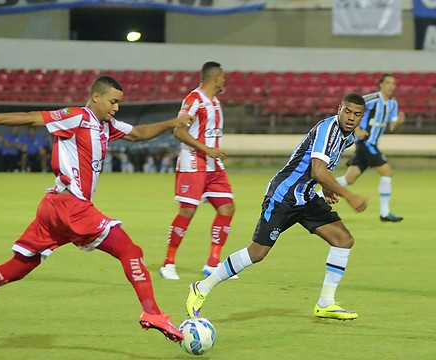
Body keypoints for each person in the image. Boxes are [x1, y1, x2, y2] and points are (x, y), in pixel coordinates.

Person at [0, 76, 191, 346]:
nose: (116, 108)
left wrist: (172, 123)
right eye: (113, 101)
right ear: (96, 97)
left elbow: (138, 133)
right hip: (71, 206)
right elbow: (31, 118)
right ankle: (153, 313)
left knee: (16, 269)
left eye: (119, 103)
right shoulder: (75, 116)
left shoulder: (105, 126)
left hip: (54, 207)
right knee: (129, 250)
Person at [185, 92, 369, 321]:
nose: (351, 117)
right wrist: (349, 195)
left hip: (306, 197)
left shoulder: (346, 136)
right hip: (283, 196)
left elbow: (322, 169)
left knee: (343, 240)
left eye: (357, 114)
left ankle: (325, 303)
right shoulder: (328, 129)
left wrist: (328, 188)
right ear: (339, 108)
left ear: (362, 116)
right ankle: (202, 287)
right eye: (347, 111)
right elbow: (317, 170)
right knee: (257, 253)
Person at [159, 61, 236, 281]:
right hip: (193, 164)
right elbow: (179, 131)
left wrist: (211, 152)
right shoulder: (194, 100)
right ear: (214, 78)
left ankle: (213, 263)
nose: (225, 80)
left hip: (213, 165)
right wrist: (206, 149)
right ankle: (168, 263)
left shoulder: (215, 102)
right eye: (223, 77)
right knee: (187, 212)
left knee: (227, 208)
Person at [334, 73, 405, 222]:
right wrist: (357, 129)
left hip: (371, 144)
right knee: (387, 172)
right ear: (381, 85)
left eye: (393, 83)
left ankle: (317, 195)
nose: (391, 86)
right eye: (388, 83)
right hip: (366, 143)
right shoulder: (372, 99)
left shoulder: (393, 104)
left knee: (350, 179)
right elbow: (352, 107)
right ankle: (384, 213)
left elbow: (393, 127)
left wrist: (399, 122)